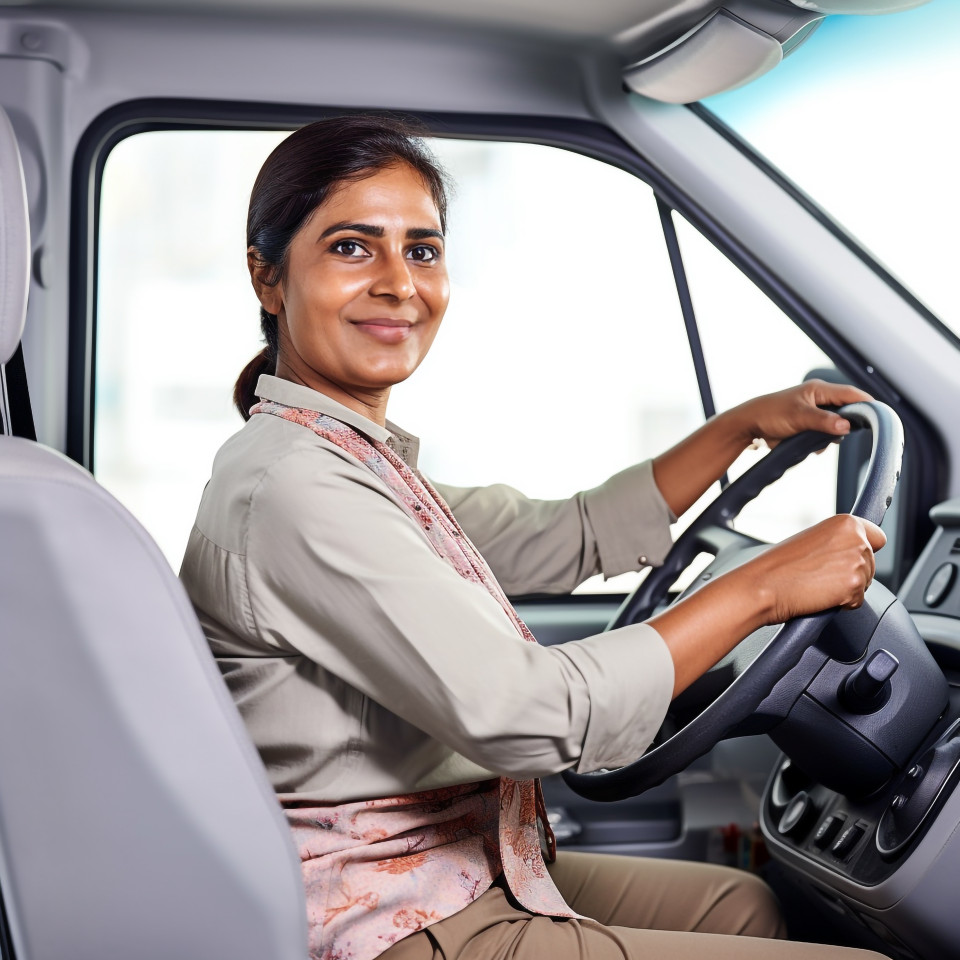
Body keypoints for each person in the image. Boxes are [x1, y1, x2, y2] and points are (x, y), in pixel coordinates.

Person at [179, 116, 888, 960]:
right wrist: (764, 589)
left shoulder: (347, 462)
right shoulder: (296, 485)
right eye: (352, 248)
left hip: (449, 868)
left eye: (424, 249)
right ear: (268, 278)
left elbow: (565, 535)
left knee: (738, 905)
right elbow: (523, 715)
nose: (401, 284)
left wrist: (742, 426)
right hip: (386, 922)